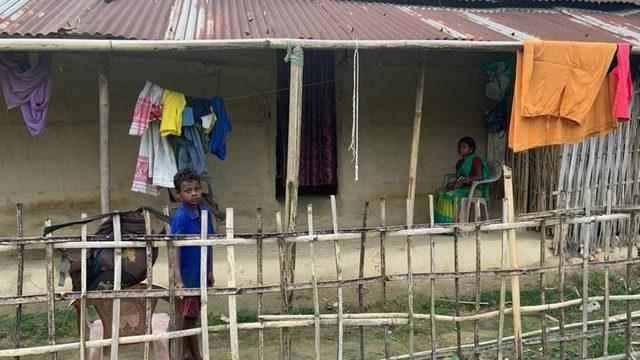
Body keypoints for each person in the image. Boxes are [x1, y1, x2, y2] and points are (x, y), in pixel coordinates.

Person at [171, 168, 214, 360]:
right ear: (179, 195)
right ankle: (193, 355)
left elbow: (209, 244)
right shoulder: (181, 217)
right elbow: (175, 247)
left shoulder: (204, 213)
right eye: (188, 190)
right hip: (187, 277)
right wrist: (178, 278)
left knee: (193, 317)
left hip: (201, 273)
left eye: (197, 189)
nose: (194, 193)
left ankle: (190, 354)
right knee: (187, 318)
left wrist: (210, 270)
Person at [435, 137, 490, 223]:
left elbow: (479, 176)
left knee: (449, 196)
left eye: (464, 147)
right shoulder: (460, 162)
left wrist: (464, 181)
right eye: (459, 147)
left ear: (471, 149)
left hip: (475, 189)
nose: (460, 149)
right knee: (440, 193)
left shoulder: (476, 160)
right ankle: (443, 223)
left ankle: (455, 224)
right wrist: (454, 184)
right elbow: (459, 177)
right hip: (463, 188)